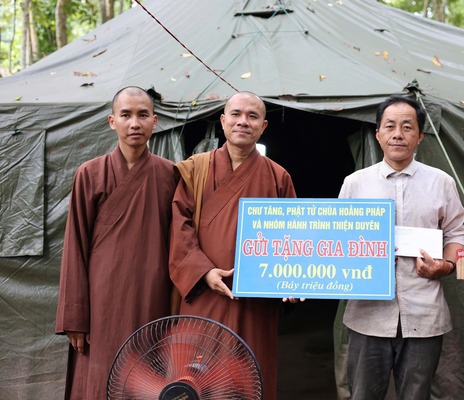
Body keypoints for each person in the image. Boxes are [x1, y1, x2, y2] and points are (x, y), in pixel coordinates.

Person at [169, 91, 298, 400]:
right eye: (236, 114)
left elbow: (292, 237)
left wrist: (292, 279)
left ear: (263, 126)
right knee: (195, 381)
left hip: (254, 303)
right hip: (202, 294)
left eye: (252, 116)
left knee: (248, 377)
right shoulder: (196, 169)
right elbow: (179, 225)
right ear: (223, 121)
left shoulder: (278, 176)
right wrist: (203, 272)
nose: (243, 121)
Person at [339, 94, 464, 400]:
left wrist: (446, 265)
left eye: (407, 127)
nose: (398, 134)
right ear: (378, 134)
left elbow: (457, 234)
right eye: (390, 126)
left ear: (420, 136)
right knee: (363, 395)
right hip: (367, 315)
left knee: (416, 395)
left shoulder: (441, 182)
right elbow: (338, 240)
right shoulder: (355, 183)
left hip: (424, 313)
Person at [55, 86, 179, 398]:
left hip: (152, 298)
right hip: (102, 303)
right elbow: (75, 246)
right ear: (112, 121)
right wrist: (75, 316)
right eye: (126, 115)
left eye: (142, 115)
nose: (134, 123)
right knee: (100, 380)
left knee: (147, 379)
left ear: (155, 121)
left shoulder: (170, 174)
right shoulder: (90, 173)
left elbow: (180, 243)